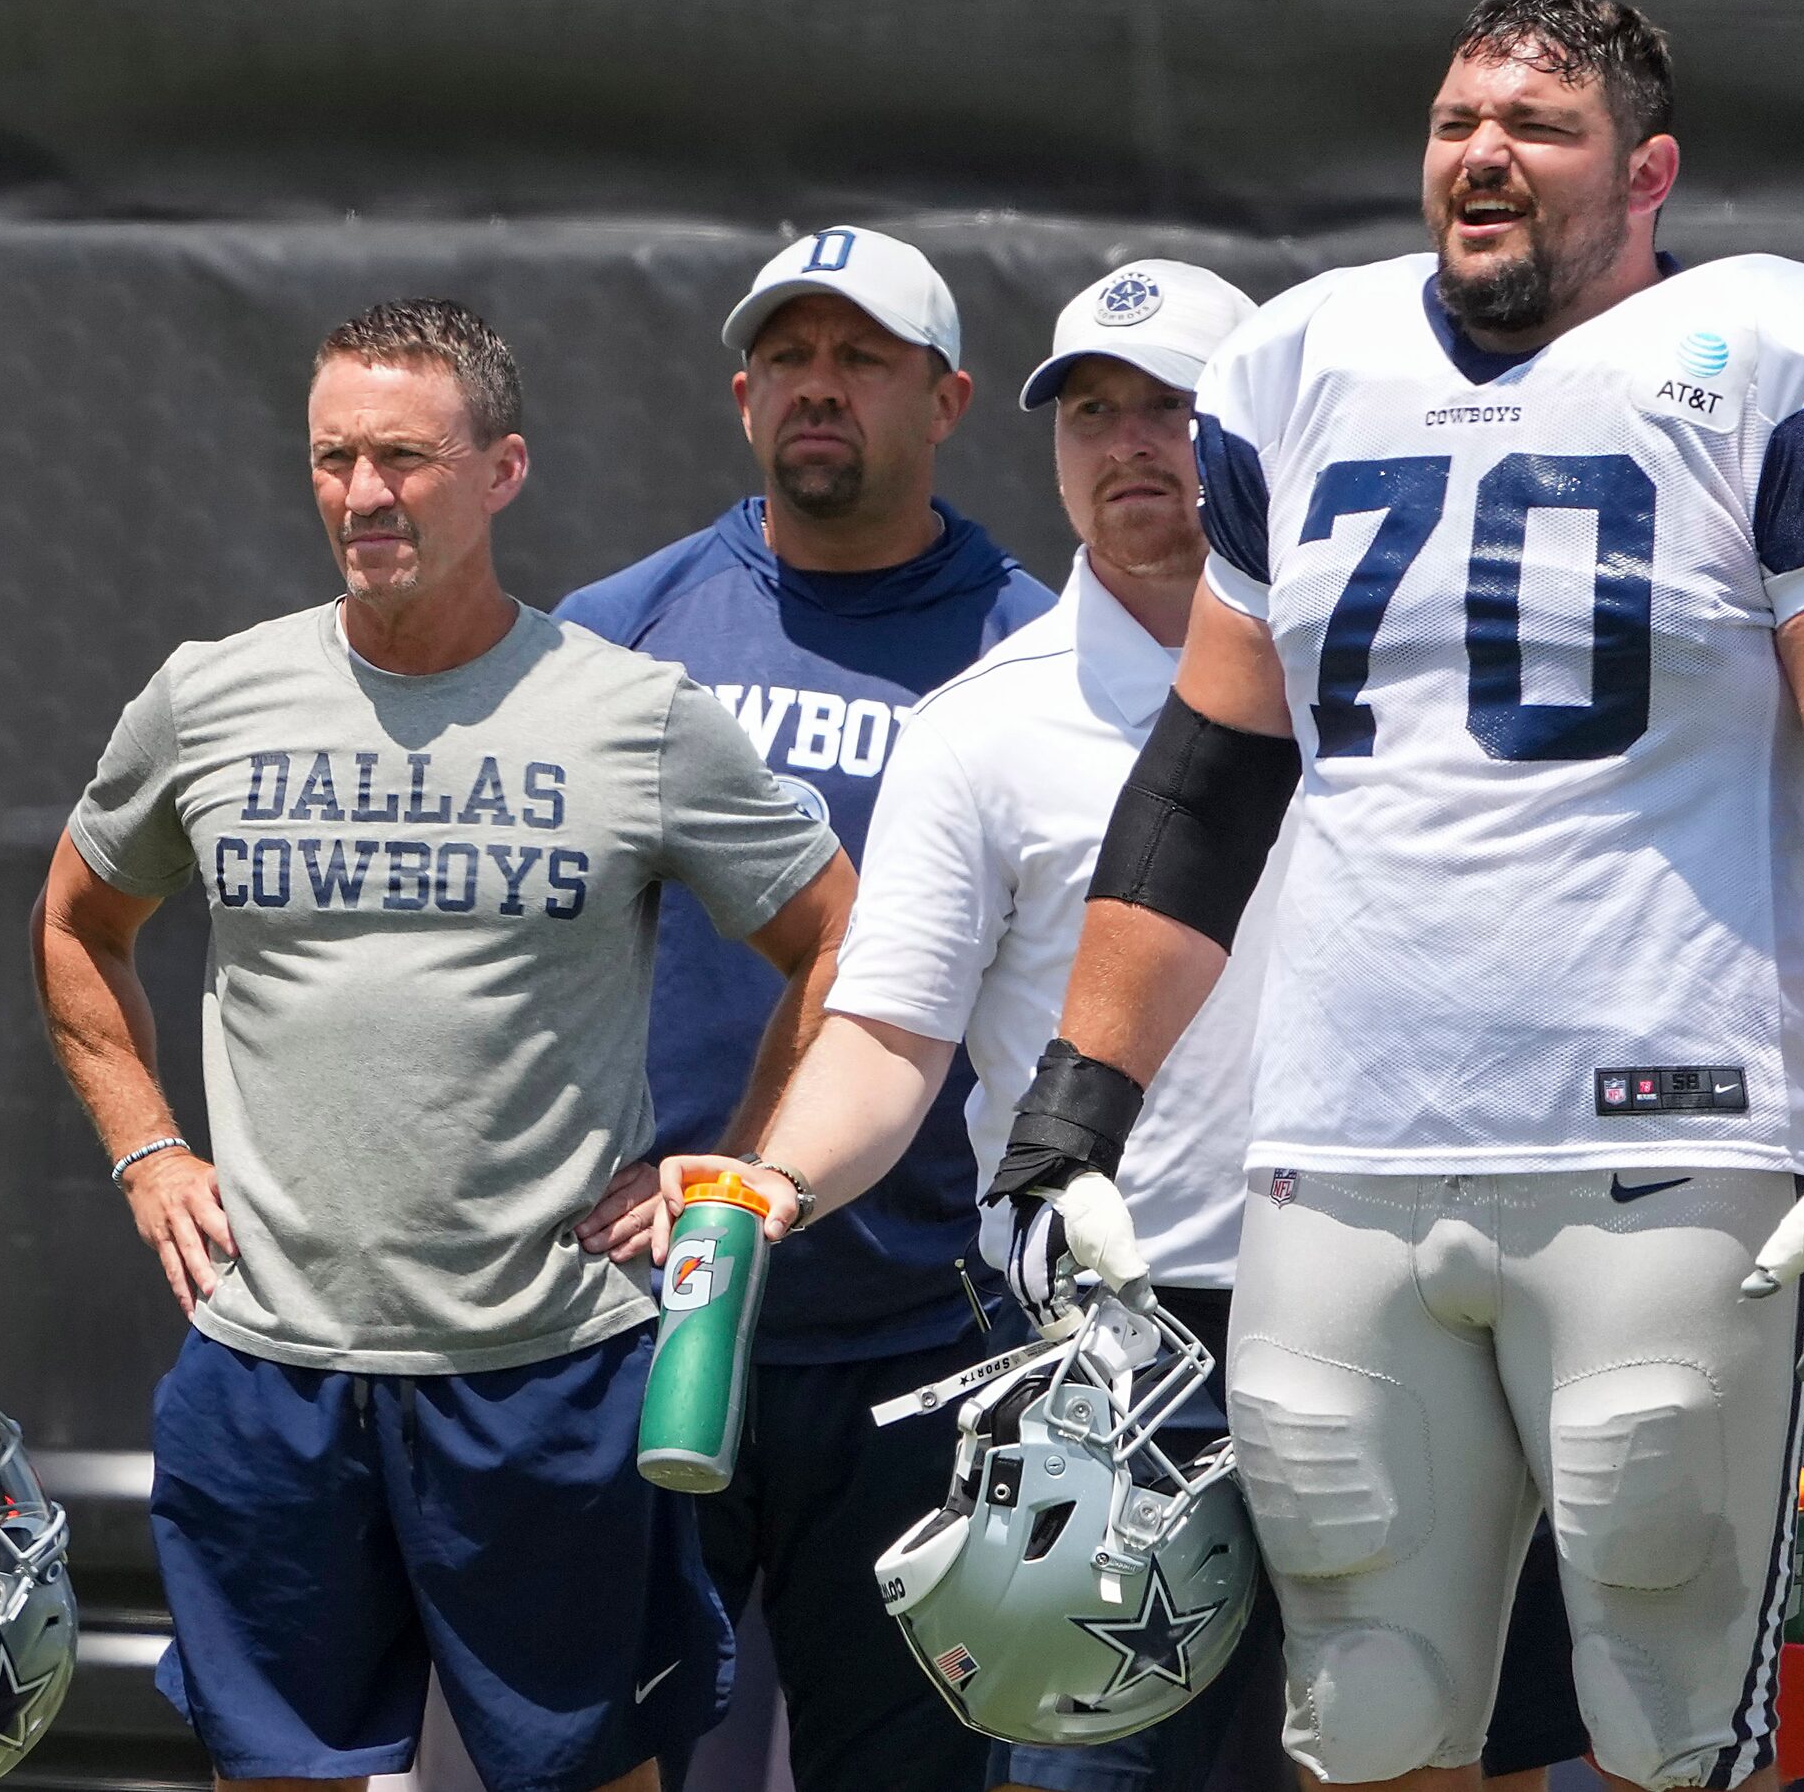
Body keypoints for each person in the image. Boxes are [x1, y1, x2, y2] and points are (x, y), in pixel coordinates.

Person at [793, 0, 1804, 1792]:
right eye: (1458, 120)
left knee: (1662, 1688)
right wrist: (1076, 1112)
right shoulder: (1311, 366)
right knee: (1370, 1706)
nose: (1481, 154)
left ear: (1649, 174)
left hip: (1668, 1133)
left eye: (1538, 128)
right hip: (1338, 1148)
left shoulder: (1780, 357)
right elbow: (1209, 783)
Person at [662, 259, 1595, 1792]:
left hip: (1402, 1307)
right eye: (1093, 411)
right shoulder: (980, 722)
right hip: (1105, 1350)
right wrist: (774, 1180)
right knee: (1082, 1776)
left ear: (1258, 434)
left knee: (1421, 1761)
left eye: (1174, 405)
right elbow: (889, 1034)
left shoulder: (1414, 676)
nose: (1130, 442)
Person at [35, 298, 855, 1792]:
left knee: (595, 1773)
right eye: (334, 458)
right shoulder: (211, 696)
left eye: (405, 459)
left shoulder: (635, 715)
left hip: (550, 1371)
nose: (363, 496)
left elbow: (837, 942)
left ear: (505, 470)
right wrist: (148, 1146)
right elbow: (78, 922)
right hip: (271, 1365)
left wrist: (733, 1170)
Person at [555, 225, 1052, 1792]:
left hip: (921, 1332)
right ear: (741, 391)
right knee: (599, 1755)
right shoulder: (618, 632)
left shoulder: (1031, 650)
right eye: (788, 357)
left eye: (861, 359)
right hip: (645, 1322)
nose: (817, 388)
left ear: (950, 395)